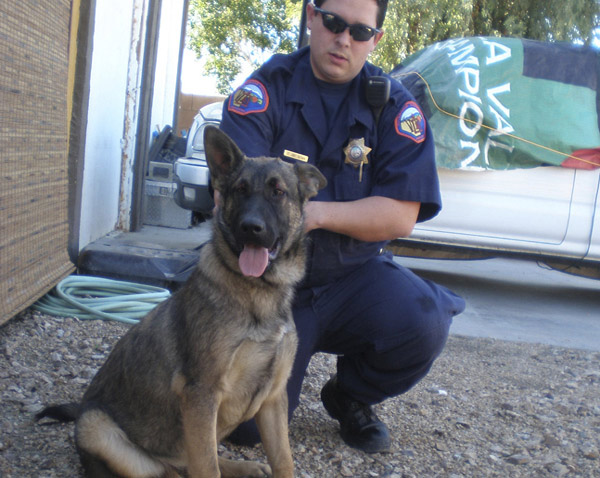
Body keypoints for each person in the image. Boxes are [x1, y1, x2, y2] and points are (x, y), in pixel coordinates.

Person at [218, 0, 466, 454]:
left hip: (350, 280)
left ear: (376, 39)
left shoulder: (392, 104)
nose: (343, 39)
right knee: (247, 429)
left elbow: (401, 216)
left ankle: (349, 396)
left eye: (360, 31)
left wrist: (310, 216)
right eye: (333, 22)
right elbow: (230, 187)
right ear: (312, 16)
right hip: (265, 284)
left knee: (422, 322)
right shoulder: (267, 89)